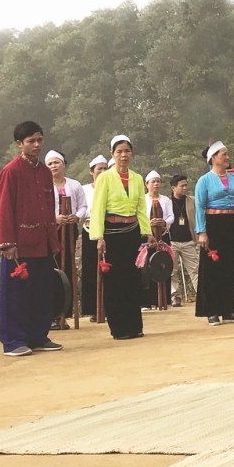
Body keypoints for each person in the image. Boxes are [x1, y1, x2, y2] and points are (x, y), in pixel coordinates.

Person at [0, 122, 63, 357]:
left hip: (42, 242)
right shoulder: (10, 171)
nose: (36, 145)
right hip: (19, 244)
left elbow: (48, 206)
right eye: (31, 141)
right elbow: (3, 209)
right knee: (15, 294)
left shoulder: (45, 172)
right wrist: (7, 243)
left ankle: (38, 336)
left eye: (39, 140)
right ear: (19, 144)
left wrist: (53, 240)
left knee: (42, 291)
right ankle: (13, 341)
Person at [89, 136, 152, 340]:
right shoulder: (104, 178)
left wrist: (147, 231)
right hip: (112, 233)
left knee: (132, 279)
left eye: (127, 151)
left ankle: (135, 326)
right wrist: (98, 236)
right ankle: (119, 328)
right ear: (112, 155)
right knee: (115, 281)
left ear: (131, 154)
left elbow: (141, 207)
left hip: (132, 232)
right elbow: (97, 208)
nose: (123, 155)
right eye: (119, 152)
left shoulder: (136, 178)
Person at [194, 141, 234, 325]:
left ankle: (228, 310)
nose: (227, 157)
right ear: (213, 158)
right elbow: (200, 207)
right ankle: (212, 311)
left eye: (227, 154)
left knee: (229, 267)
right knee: (212, 269)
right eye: (223, 154)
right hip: (213, 224)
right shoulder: (204, 181)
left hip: (233, 224)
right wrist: (202, 231)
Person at [46, 150, 88, 328]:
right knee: (53, 271)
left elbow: (83, 205)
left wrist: (76, 216)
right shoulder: (44, 185)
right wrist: (54, 218)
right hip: (51, 231)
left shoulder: (75, 184)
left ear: (63, 164)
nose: (54, 166)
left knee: (69, 269)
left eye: (57, 162)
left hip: (70, 230)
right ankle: (53, 314)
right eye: (50, 163)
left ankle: (66, 312)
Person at [80, 155, 108, 321]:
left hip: (109, 228)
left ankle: (109, 305)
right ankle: (92, 308)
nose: (103, 172)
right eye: (99, 169)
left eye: (105, 168)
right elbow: (82, 210)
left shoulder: (113, 186)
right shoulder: (84, 190)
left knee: (109, 267)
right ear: (92, 171)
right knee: (91, 268)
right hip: (89, 229)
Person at [142, 170, 174, 310]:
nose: (156, 184)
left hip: (163, 234)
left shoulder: (166, 200)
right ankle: (146, 301)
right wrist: (148, 224)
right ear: (146, 184)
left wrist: (163, 222)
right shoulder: (142, 199)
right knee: (146, 266)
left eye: (158, 181)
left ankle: (164, 300)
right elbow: (140, 216)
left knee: (162, 264)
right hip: (147, 236)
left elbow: (171, 216)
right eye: (153, 182)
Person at [166, 173, 198, 306]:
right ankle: (175, 296)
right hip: (172, 241)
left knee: (195, 269)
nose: (185, 188)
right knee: (172, 270)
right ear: (173, 187)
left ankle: (201, 293)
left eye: (186, 185)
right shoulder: (167, 202)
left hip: (189, 240)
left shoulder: (192, 200)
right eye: (182, 186)